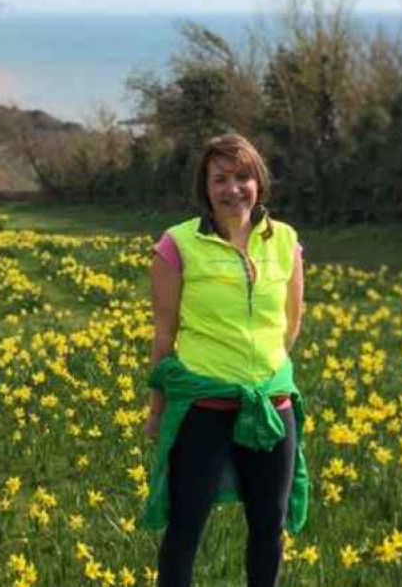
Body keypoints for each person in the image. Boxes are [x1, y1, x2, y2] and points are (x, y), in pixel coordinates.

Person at [141, 134, 309, 587]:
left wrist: (264, 372)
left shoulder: (286, 241)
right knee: (185, 526)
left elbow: (291, 322)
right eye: (220, 179)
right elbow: (164, 334)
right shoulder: (177, 244)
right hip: (202, 407)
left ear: (259, 182)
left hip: (271, 405)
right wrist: (157, 409)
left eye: (243, 176)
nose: (233, 188)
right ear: (205, 187)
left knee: (268, 525)